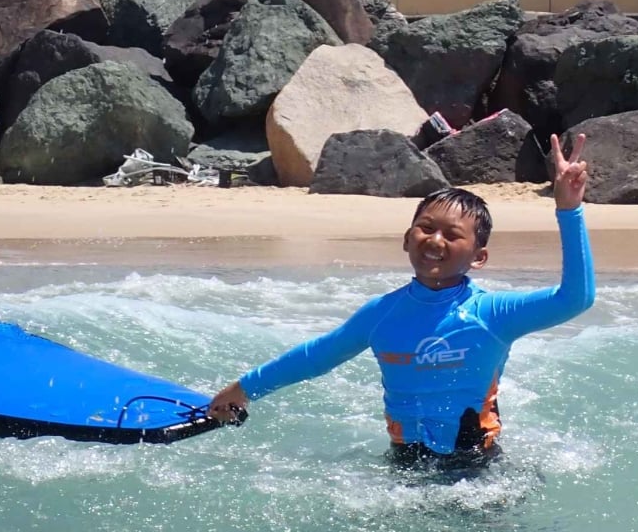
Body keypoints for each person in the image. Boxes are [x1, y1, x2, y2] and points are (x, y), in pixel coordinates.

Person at [206, 134, 595, 469]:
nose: (436, 240)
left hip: (477, 467)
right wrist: (244, 389)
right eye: (426, 228)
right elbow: (316, 356)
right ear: (407, 239)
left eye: (452, 235)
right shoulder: (381, 314)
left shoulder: (491, 314)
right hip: (404, 464)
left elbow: (575, 299)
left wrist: (569, 209)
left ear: (479, 257)